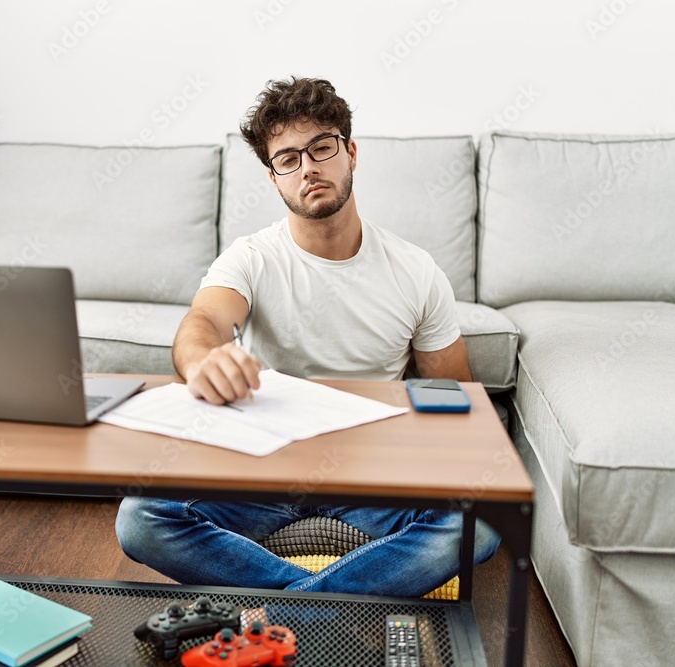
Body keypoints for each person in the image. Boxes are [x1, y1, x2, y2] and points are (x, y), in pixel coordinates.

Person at [115, 77, 499, 597]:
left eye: (322, 147)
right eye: (288, 158)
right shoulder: (250, 258)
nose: (308, 168)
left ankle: (296, 610)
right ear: (274, 178)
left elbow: (455, 396)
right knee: (140, 519)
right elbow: (202, 322)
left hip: (372, 478)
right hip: (262, 473)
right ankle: (328, 608)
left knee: (482, 526)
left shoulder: (415, 270)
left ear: (351, 152)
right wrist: (203, 360)